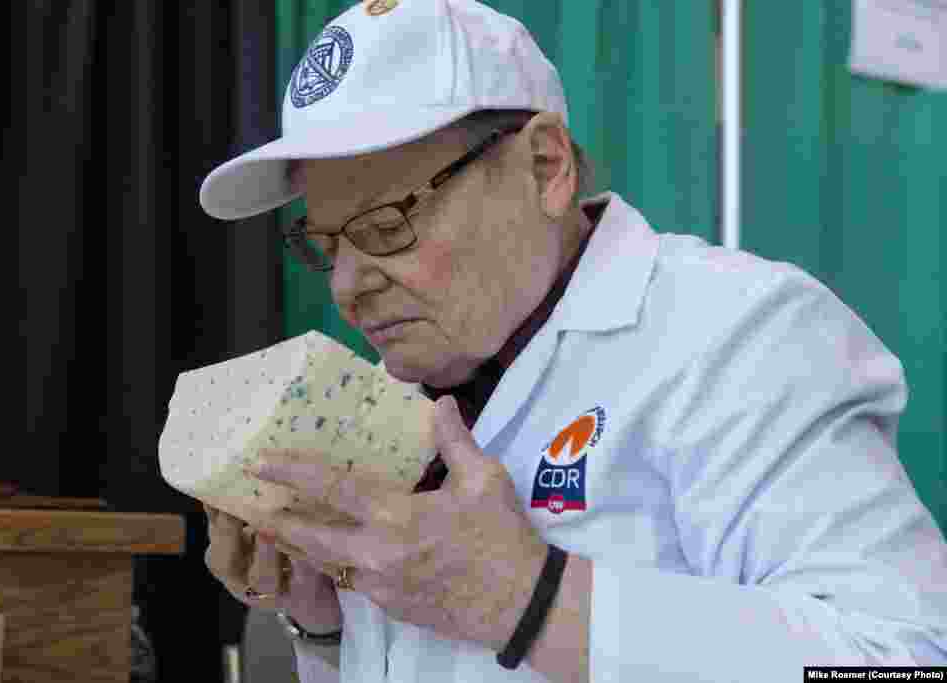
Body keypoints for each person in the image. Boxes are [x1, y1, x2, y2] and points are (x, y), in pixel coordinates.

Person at [199, 1, 947, 681]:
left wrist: (532, 598)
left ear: (545, 166)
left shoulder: (744, 337)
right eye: (325, 243)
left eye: (388, 224)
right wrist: (327, 627)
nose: (345, 284)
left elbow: (906, 661)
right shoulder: (393, 391)